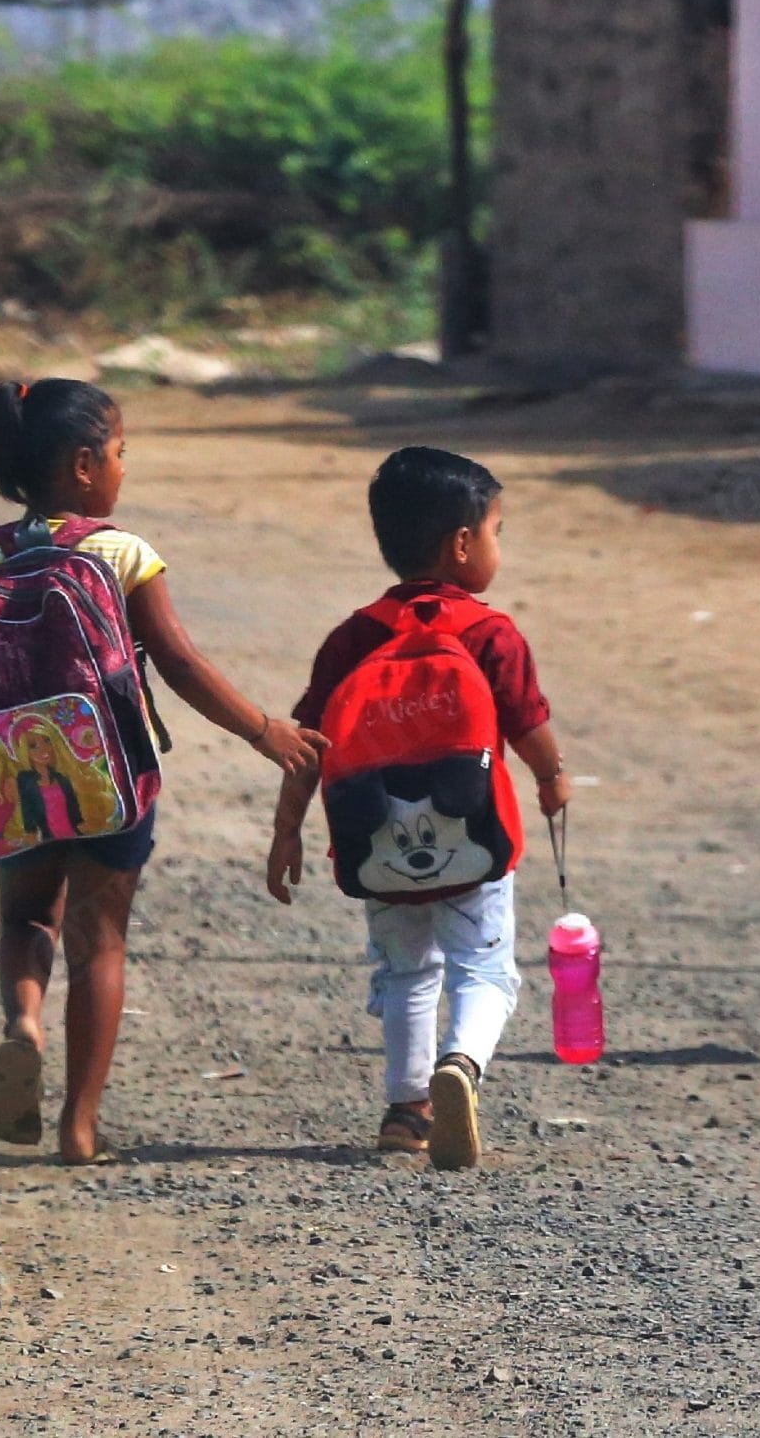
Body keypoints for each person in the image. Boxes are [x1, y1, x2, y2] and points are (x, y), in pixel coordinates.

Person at [0, 379, 327, 1164]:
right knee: (99, 944)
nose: (126, 466)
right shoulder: (120, 552)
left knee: (25, 920)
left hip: (4, 781)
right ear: (86, 464)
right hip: (107, 780)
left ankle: (22, 1022)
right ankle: (79, 1127)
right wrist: (264, 730)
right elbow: (181, 662)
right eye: (122, 452)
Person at [265, 447, 569, 1170]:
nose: (497, 546)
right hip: (474, 842)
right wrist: (554, 779)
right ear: (462, 544)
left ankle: (406, 1110)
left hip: (378, 843)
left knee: (406, 972)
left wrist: (285, 832)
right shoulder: (491, 634)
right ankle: (461, 1066)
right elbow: (528, 727)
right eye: (496, 530)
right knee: (484, 970)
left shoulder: (354, 637)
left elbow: (308, 742)